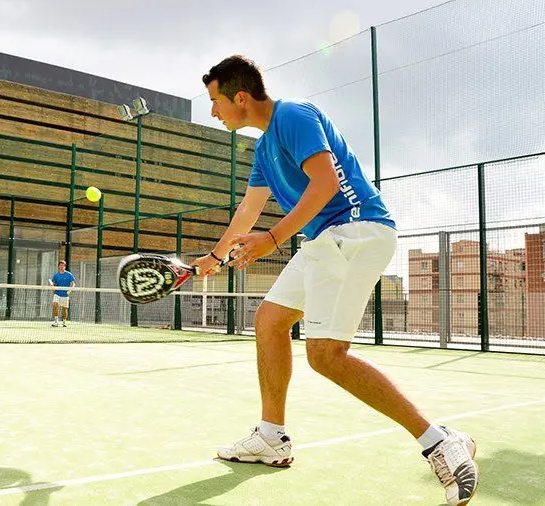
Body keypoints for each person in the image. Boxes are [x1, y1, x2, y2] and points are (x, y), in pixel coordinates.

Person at [191, 56, 477, 506]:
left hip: (356, 229)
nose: (213, 111)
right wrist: (212, 257)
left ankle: (440, 440)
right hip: (325, 239)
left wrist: (272, 237)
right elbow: (247, 211)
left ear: (239, 97)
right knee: (269, 321)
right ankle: (271, 436)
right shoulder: (265, 149)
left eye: (215, 102)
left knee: (325, 355)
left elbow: (323, 183)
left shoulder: (294, 116)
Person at [48, 260, 75, 327]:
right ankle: (56, 321)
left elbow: (73, 283)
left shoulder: (69, 274)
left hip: (65, 295)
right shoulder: (56, 275)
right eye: (60, 265)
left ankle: (64, 322)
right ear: (58, 266)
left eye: (63, 265)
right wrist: (52, 286)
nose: (61, 267)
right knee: (55, 305)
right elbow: (54, 284)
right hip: (57, 294)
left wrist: (70, 290)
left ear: (65, 267)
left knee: (65, 309)